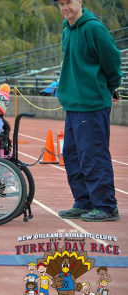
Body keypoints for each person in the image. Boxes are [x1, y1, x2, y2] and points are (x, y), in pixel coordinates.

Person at [54, 0, 123, 222]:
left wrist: (110, 87)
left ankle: (106, 206)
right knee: (73, 156)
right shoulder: (66, 30)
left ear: (80, 2)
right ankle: (83, 202)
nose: (65, 7)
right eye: (61, 3)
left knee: (93, 155)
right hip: (73, 104)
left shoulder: (94, 28)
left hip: (92, 104)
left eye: (69, 2)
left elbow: (112, 61)